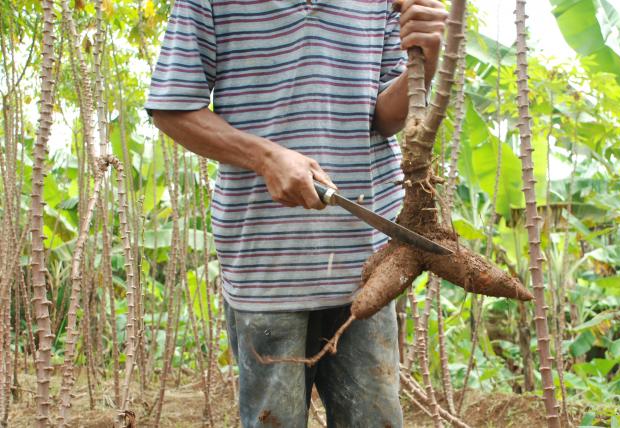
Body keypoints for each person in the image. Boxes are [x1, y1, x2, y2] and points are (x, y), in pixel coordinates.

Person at [145, 0, 447, 426]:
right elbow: (171, 108)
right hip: (267, 267)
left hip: (365, 264)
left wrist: (425, 60)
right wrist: (264, 157)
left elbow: (382, 116)